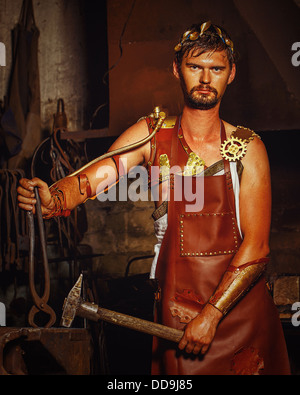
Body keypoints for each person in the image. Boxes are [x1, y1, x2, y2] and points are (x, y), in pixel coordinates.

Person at [17, 21, 290, 375]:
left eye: (216, 69)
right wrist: (54, 198)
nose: (205, 79)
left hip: (242, 319)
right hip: (178, 316)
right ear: (177, 69)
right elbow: (91, 179)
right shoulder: (150, 135)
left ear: (231, 74)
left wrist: (211, 316)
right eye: (195, 67)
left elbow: (256, 249)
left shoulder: (249, 148)